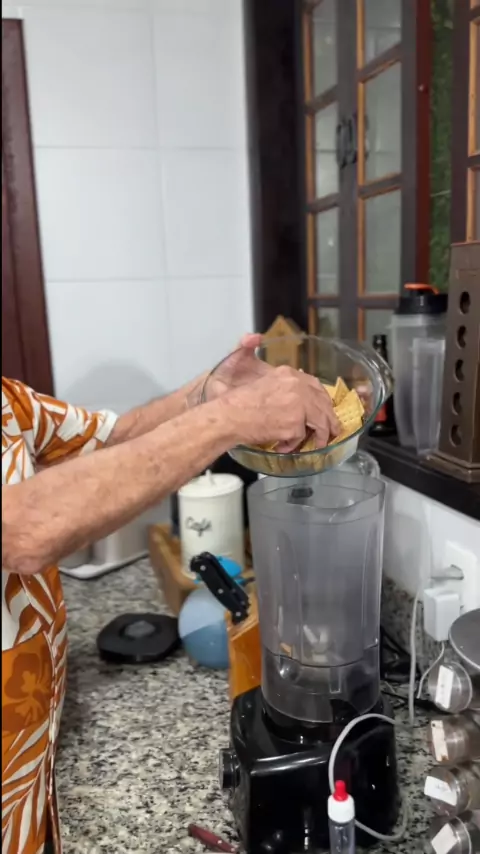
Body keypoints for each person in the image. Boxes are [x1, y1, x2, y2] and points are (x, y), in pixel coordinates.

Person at [2, 334, 339, 854]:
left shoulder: (9, 400)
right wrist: (230, 419)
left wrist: (206, 394)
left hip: (29, 775)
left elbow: (112, 438)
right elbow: (20, 531)